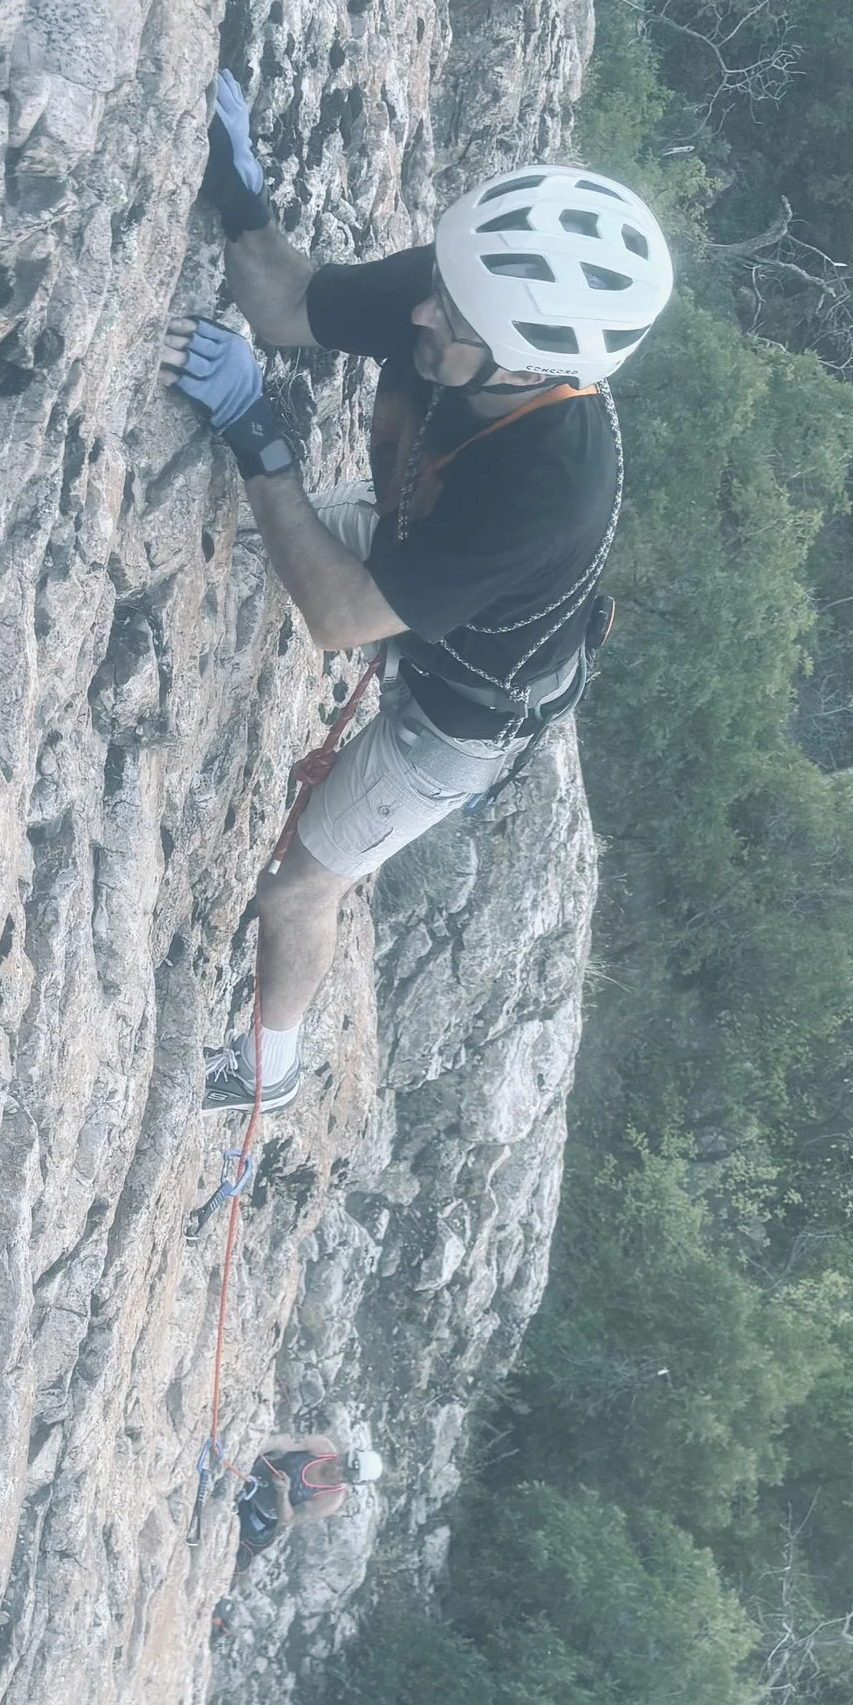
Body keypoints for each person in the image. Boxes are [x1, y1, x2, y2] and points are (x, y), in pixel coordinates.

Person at [163, 71, 673, 1114]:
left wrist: (261, 442)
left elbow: (342, 619)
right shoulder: (471, 299)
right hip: (410, 548)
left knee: (298, 885)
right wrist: (241, 202)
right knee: (284, 532)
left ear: (530, 367)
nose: (423, 310)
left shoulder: (550, 488)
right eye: (443, 285)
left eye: (453, 313)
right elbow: (289, 303)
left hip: (460, 712)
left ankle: (269, 1070)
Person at [231, 1433, 377, 1566]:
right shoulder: (321, 1447)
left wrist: (282, 1492)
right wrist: (250, 1453)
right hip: (253, 1467)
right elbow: (279, 1441)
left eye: (344, 1474)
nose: (336, 1469)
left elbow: (288, 1518)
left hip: (256, 1510)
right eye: (342, 1462)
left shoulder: (330, 1500)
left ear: (350, 1482)